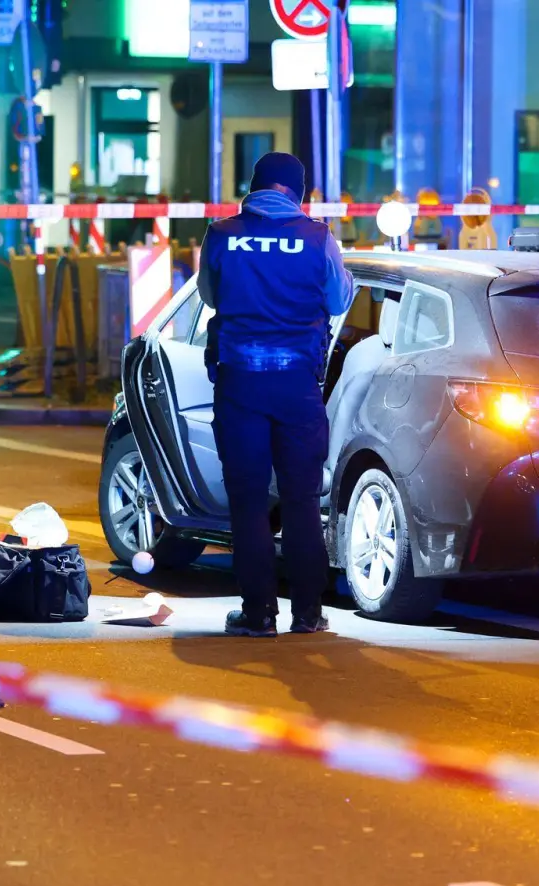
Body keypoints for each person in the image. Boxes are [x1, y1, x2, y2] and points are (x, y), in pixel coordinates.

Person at [198, 152, 353, 637]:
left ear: (255, 185)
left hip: (240, 382)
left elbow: (208, 294)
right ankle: (307, 613)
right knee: (302, 500)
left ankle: (259, 613)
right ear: (298, 192)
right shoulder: (318, 237)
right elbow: (340, 300)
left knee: (247, 501)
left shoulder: (222, 234)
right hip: (297, 386)